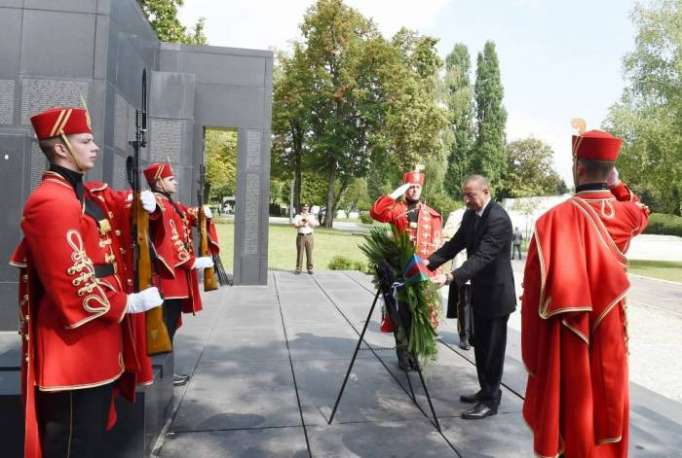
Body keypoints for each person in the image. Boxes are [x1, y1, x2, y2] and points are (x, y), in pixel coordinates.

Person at [10, 107, 162, 458]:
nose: (94, 147)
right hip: (73, 349)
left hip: (96, 343)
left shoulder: (80, 195)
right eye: (86, 140)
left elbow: (117, 214)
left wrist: (148, 207)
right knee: (72, 443)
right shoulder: (51, 202)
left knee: (88, 439)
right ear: (61, 147)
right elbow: (73, 281)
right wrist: (128, 303)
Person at [521, 129, 649, 457]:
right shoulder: (627, 215)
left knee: (570, 408)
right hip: (610, 331)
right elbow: (640, 212)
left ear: (578, 168)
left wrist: (535, 360)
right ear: (610, 170)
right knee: (607, 401)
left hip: (568, 334)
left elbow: (534, 295)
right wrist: (618, 187)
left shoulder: (550, 221)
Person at [425, 175, 515, 420]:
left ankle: (491, 401)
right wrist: (428, 262)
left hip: (497, 295)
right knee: (480, 345)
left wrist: (450, 277)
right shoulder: (470, 215)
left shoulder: (498, 219)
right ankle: (485, 390)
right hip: (480, 291)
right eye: (464, 194)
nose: (466, 199)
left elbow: (482, 257)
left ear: (486, 191)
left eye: (471, 195)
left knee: (493, 350)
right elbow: (455, 244)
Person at [144, 162, 214, 386]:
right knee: (163, 326)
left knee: (170, 325)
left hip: (177, 278)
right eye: (170, 178)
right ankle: (156, 374)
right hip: (169, 278)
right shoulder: (158, 204)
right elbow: (169, 239)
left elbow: (185, 215)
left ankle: (163, 373)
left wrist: (201, 212)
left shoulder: (170, 204)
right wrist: (192, 261)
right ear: (158, 182)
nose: (175, 181)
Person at [370, 166, 443, 370]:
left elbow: (437, 246)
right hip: (399, 271)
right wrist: (397, 191)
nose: (414, 190)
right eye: (411, 187)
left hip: (422, 273)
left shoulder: (432, 215)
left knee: (421, 315)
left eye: (417, 186)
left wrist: (435, 273)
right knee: (402, 314)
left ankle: (415, 353)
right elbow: (376, 212)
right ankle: (403, 353)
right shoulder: (397, 209)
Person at [441, 208, 472, 350]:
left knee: (478, 303)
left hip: (480, 267)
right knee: (464, 301)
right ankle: (464, 335)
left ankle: (474, 334)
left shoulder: (488, 213)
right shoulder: (457, 215)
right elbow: (447, 237)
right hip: (462, 262)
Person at [292, 203, 318, 274]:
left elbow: (315, 225)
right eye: (304, 208)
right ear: (301, 208)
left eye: (306, 208)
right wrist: (302, 224)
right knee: (300, 253)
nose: (305, 209)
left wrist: (308, 220)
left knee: (309, 253)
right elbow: (294, 225)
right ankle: (298, 268)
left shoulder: (311, 216)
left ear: (308, 208)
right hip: (301, 236)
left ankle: (310, 268)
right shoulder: (298, 216)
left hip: (309, 236)